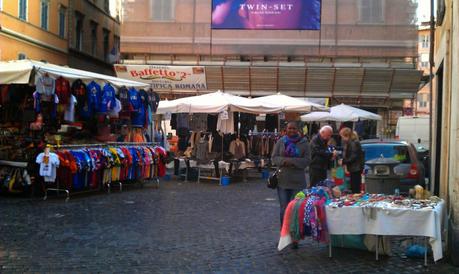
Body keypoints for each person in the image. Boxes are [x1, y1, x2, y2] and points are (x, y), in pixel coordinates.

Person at [271, 121, 310, 248]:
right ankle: (284, 236)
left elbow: (307, 160)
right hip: (282, 180)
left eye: (294, 128)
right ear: (286, 129)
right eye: (289, 128)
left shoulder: (304, 143)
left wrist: (292, 162)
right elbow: (274, 158)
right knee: (284, 209)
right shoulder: (281, 142)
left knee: (295, 210)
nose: (292, 130)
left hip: (298, 182)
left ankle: (295, 237)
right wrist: (284, 161)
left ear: (298, 129)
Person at [339, 128, 364, 193]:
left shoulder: (353, 143)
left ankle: (356, 199)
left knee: (355, 187)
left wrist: (344, 161)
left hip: (356, 168)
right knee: (354, 185)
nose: (342, 139)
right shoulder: (351, 142)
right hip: (355, 167)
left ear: (346, 135)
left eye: (342, 136)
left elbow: (353, 156)